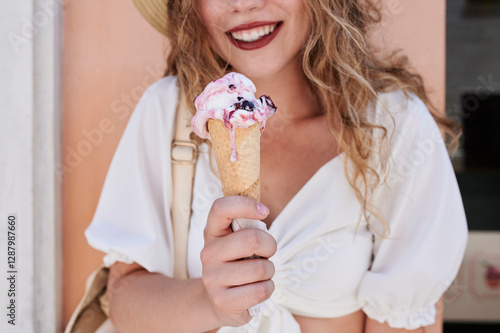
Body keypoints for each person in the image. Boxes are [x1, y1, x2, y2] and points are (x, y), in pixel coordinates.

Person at [84, 0, 468, 332]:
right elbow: (122, 297)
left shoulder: (394, 126)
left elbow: (400, 323)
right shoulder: (167, 112)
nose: (243, 4)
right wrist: (208, 301)